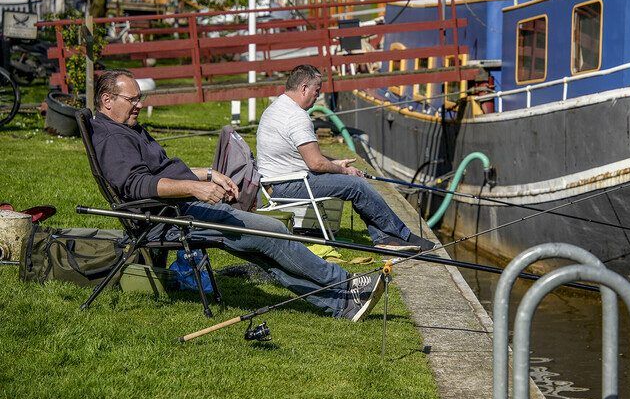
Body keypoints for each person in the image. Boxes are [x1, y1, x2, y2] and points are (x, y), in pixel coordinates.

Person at [90, 69, 384, 322]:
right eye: (132, 100)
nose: (139, 105)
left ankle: (341, 303)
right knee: (271, 232)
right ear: (107, 101)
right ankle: (345, 284)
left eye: (140, 98)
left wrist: (207, 173)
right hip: (164, 217)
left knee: (263, 244)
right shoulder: (113, 137)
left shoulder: (124, 129)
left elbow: (156, 172)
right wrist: (195, 188)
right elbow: (139, 186)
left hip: (172, 209)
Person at [256, 64, 436, 251]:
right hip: (286, 187)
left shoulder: (278, 106)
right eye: (317, 91)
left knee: (353, 183)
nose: (317, 96)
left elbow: (303, 154)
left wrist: (334, 164)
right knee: (356, 185)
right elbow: (316, 163)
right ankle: (402, 235)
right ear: (303, 88)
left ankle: (385, 238)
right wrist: (344, 170)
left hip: (274, 183)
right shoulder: (297, 117)